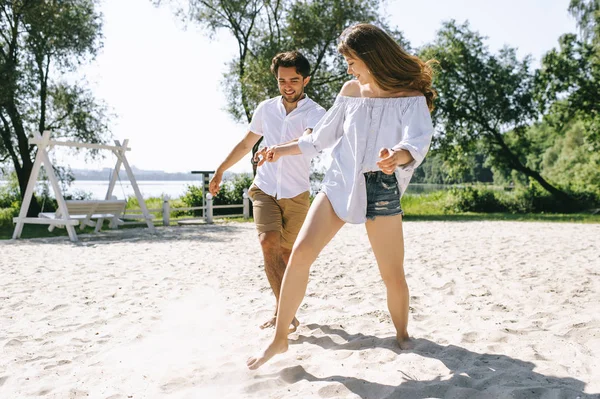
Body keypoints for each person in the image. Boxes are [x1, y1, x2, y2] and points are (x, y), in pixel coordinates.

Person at [247, 23, 436, 370]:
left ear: (369, 56)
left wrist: (398, 156)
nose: (347, 67)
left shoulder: (409, 96)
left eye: (350, 60)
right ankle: (279, 339)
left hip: (380, 186)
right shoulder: (350, 91)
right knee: (301, 255)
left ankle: (403, 334)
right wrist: (279, 150)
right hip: (337, 183)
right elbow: (319, 138)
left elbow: (418, 140)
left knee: (391, 273)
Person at [209, 51, 326, 332]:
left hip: (297, 193)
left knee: (287, 257)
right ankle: (286, 317)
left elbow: (308, 139)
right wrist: (221, 169)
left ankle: (280, 310)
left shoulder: (316, 112)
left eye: (294, 80)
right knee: (268, 243)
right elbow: (246, 142)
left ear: (305, 80)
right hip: (264, 187)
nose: (288, 86)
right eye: (282, 80)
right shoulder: (265, 109)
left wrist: (278, 150)